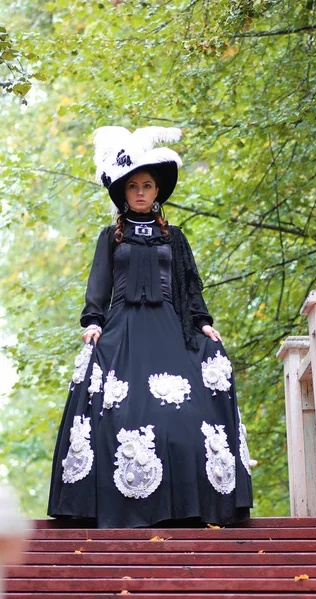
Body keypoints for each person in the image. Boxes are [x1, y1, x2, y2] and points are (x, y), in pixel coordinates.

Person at [47, 125, 253, 528]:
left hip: (170, 332)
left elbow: (191, 287)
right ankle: (112, 505)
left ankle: (187, 506)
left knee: (182, 417)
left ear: (157, 191)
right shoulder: (111, 236)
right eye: (133, 186)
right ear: (123, 192)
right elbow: (99, 285)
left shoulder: (174, 238)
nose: (140, 192)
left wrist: (204, 323)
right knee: (120, 415)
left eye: (147, 185)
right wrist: (92, 322)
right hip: (122, 333)